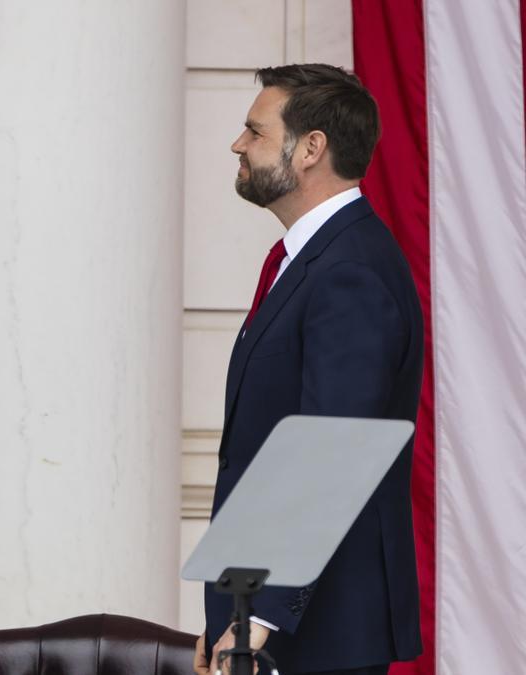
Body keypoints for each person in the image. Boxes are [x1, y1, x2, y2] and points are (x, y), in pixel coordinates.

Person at [194, 64, 423, 675]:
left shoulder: (349, 270)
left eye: (255, 131)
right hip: (278, 625)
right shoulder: (315, 260)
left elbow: (330, 448)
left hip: (318, 636)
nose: (238, 145)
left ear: (310, 149)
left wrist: (254, 622)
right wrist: (227, 616)